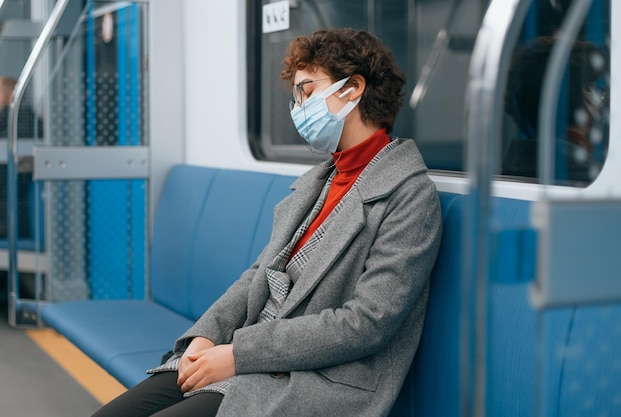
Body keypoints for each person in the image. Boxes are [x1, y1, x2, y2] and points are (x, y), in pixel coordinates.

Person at [92, 28, 442, 417]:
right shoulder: (317, 184)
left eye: (307, 91)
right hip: (251, 357)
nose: (299, 107)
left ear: (353, 88)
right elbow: (257, 276)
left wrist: (239, 354)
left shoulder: (409, 196)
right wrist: (207, 337)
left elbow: (366, 323)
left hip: (316, 378)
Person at [502, 36, 608, 184]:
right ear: (583, 98)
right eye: (592, 88)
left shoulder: (515, 164)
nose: (599, 102)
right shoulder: (588, 175)